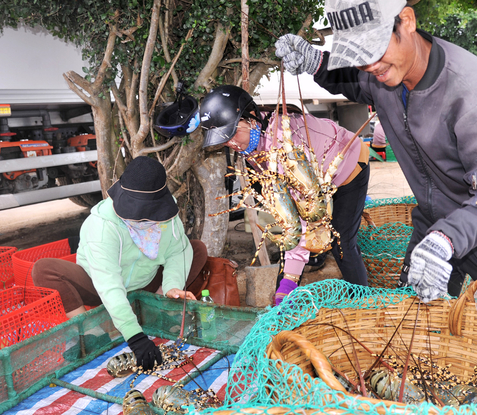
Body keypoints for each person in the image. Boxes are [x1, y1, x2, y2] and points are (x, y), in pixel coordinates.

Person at [274, 0, 477, 321]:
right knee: (415, 327)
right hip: (434, 220)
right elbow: (353, 81)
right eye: (358, 54)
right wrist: (316, 63)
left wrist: (447, 239)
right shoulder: (383, 74)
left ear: (407, 21)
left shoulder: (473, 93)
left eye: (374, 48)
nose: (370, 65)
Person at [193, 85, 370, 305]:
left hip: (349, 167)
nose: (232, 143)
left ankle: (362, 302)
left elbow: (300, 216)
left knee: (342, 240)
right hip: (316, 182)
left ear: (252, 117)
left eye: (233, 133)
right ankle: (312, 259)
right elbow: (288, 216)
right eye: (225, 139)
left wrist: (289, 282)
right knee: (301, 234)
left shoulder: (286, 145)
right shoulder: (250, 146)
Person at [32, 156, 208, 371]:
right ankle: (90, 331)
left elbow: (177, 252)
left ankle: (158, 308)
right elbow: (109, 284)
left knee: (196, 248)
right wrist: (135, 337)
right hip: (99, 287)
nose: (144, 219)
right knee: (44, 270)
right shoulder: (101, 225)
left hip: (145, 283)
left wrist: (171, 287)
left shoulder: (168, 218)